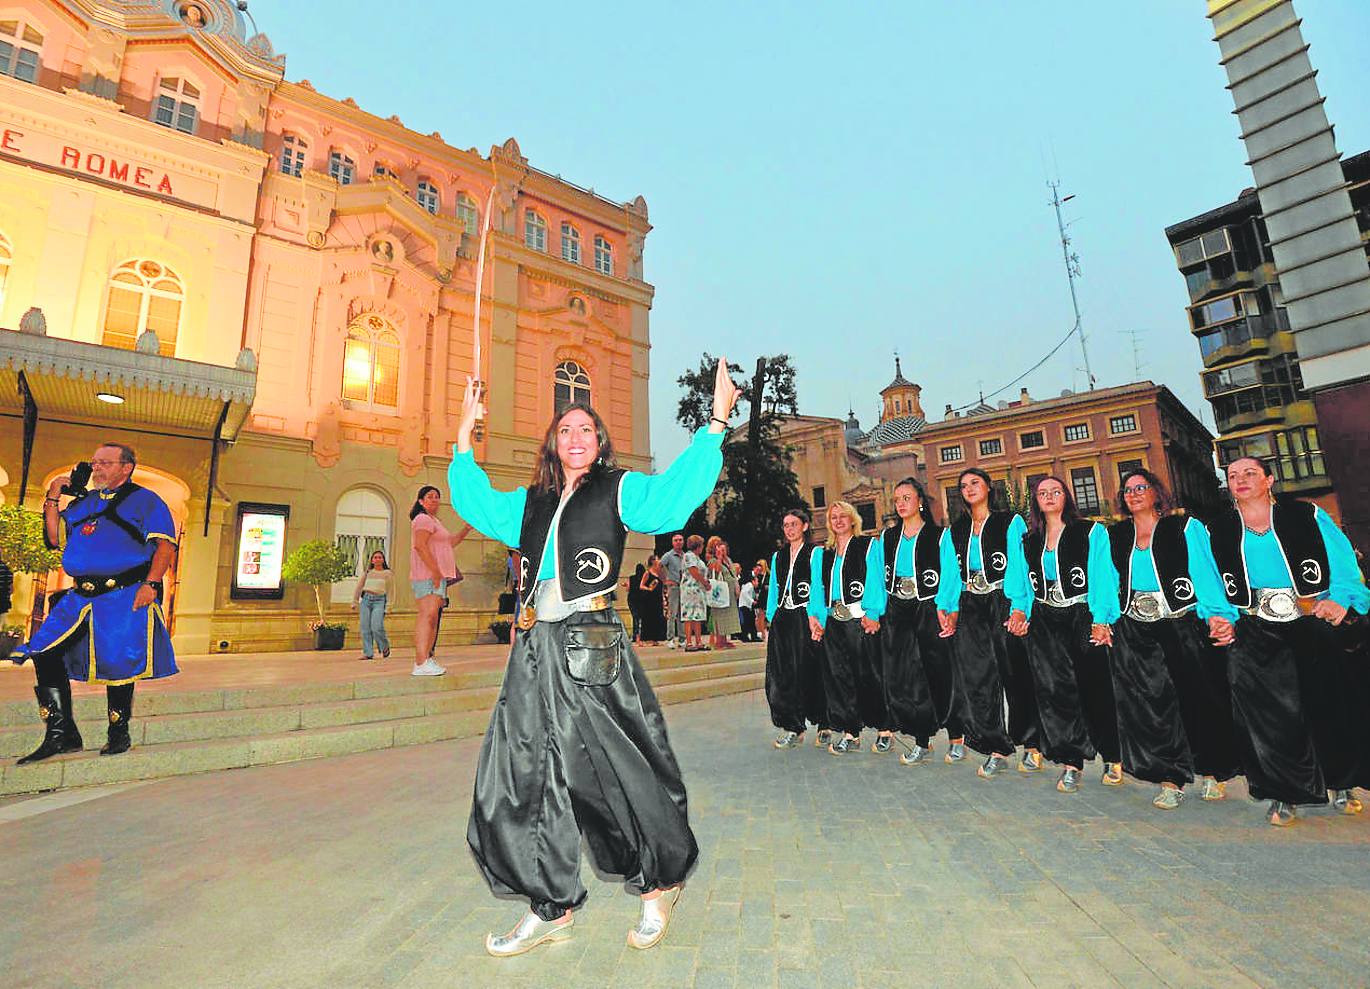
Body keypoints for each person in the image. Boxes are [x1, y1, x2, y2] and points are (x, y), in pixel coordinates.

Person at [450, 359, 735, 956]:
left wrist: (716, 421)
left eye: (586, 428)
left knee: (618, 768)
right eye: (565, 429)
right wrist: (464, 439)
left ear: (600, 441)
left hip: (591, 647)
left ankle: (659, 884)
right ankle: (549, 904)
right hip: (533, 651)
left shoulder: (619, 489)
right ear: (554, 443)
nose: (575, 437)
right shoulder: (529, 503)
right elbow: (477, 504)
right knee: (526, 774)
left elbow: (671, 501)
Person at [1209, 457, 1370, 826]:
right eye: (1232, 476)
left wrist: (1341, 600)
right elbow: (1211, 582)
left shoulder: (1307, 516)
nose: (1240, 480)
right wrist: (1219, 618)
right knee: (1267, 717)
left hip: (1309, 620)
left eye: (1250, 473)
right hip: (1253, 629)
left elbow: (1345, 566)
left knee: (1326, 703)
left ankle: (1340, 782)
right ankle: (1283, 792)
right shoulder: (1218, 529)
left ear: (1269, 479)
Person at [13, 443, 178, 762]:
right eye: (94, 463)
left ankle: (119, 732)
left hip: (123, 594)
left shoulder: (146, 501)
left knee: (118, 664)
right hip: (80, 596)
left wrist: (152, 583)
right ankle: (62, 734)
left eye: (105, 463)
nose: (97, 468)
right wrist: (52, 495)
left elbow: (165, 546)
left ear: (126, 467)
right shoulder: (84, 502)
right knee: (44, 651)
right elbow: (54, 536)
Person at [1103, 469, 1239, 810]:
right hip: (1136, 628)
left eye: (1140, 488)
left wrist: (1218, 615)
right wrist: (1103, 619)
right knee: (1152, 705)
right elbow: (1106, 580)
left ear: (1156, 493)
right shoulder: (1116, 535)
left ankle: (1212, 772)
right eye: (1127, 490)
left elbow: (1205, 573)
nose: (1133, 494)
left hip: (1182, 623)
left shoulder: (1184, 527)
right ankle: (1169, 778)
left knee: (1199, 698)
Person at [1020, 476, 1121, 793]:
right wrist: (1020, 611)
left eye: (1056, 492)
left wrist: (1101, 618)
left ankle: (1113, 756)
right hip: (1045, 618)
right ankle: (1071, 761)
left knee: (1096, 688)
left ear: (1067, 497)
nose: (1049, 497)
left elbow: (1104, 576)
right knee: (1055, 691)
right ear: (1035, 500)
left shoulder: (1090, 532)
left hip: (1081, 614)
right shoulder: (1030, 539)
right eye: (1042, 493)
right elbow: (1023, 583)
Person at [944, 468, 1039, 778]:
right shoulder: (954, 531)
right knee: (977, 677)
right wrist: (948, 608)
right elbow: (949, 575)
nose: (969, 489)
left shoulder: (1010, 522)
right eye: (964, 486)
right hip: (970, 603)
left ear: (988, 487)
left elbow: (1019, 565)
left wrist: (1019, 607)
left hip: (1001, 599)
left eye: (975, 483)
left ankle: (1031, 743)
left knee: (1014, 672)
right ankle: (995, 746)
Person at [871, 477, 963, 766]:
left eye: (906, 498)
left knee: (940, 672)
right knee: (906, 678)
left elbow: (950, 575)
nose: (901, 504)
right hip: (897, 610)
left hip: (928, 607)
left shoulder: (939, 536)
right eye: (897, 499)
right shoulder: (886, 539)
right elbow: (874, 577)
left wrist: (947, 608)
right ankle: (921, 740)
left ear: (920, 501)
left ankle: (957, 737)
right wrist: (873, 612)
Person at [811, 501, 886, 755]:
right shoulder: (824, 553)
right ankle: (850, 731)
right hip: (833, 620)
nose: (839, 520)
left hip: (859, 618)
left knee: (869, 674)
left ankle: (884, 728)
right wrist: (817, 619)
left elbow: (875, 578)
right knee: (839, 677)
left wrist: (873, 612)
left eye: (843, 516)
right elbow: (817, 589)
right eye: (834, 517)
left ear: (853, 519)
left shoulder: (868, 546)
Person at [764, 508, 829, 748]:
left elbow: (818, 585)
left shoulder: (815, 553)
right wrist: (773, 615)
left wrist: (817, 617)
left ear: (804, 526)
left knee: (812, 669)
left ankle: (824, 721)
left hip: (806, 616)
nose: (789, 529)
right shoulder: (778, 557)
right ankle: (792, 725)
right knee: (782, 675)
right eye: (786, 525)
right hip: (784, 618)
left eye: (793, 524)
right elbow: (773, 588)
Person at [408, 487, 471, 677]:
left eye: (437, 497)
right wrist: (435, 571)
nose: (434, 500)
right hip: (428, 575)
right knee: (427, 616)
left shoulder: (435, 521)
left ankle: (426, 658)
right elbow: (419, 545)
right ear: (421, 501)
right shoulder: (422, 519)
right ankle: (420, 662)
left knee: (433, 618)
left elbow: (449, 542)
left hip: (438, 576)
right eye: (430, 497)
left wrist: (466, 529)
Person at [350, 549, 393, 661]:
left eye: (380, 557)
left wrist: (388, 606)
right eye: (375, 557)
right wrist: (355, 601)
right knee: (365, 627)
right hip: (366, 600)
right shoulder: (368, 573)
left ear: (383, 560)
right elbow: (359, 587)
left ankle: (384, 646)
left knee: (377, 626)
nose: (377, 559)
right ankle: (368, 652)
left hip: (379, 601)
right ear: (372, 560)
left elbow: (391, 590)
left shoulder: (387, 574)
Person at [706, 537, 741, 649]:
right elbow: (716, 571)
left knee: (728, 615)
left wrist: (737, 587)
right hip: (720, 592)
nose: (721, 549)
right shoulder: (712, 560)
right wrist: (719, 558)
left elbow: (733, 574)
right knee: (720, 615)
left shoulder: (729, 560)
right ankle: (719, 641)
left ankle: (725, 640)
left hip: (730, 592)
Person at [679, 535, 710, 652]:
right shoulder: (689, 556)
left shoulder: (698, 559)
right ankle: (689, 642)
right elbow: (693, 572)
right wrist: (705, 582)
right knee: (689, 615)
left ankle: (699, 641)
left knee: (698, 615)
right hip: (690, 589)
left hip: (699, 591)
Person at [660, 533, 686, 648]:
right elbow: (659, 566)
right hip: (674, 586)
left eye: (680, 540)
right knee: (672, 613)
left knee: (682, 614)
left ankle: (682, 638)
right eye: (676, 540)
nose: (678, 542)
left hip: (684, 587)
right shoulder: (668, 555)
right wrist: (665, 580)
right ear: (672, 542)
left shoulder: (685, 556)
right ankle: (670, 638)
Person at [638, 555, 668, 645]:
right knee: (649, 617)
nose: (658, 560)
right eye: (656, 559)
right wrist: (649, 589)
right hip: (649, 598)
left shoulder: (659, 573)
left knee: (658, 616)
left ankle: (656, 637)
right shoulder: (647, 573)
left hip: (658, 597)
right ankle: (648, 638)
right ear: (652, 561)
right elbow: (641, 585)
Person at [626, 562, 647, 642]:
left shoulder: (631, 578)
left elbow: (627, 589)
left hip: (632, 599)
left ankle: (635, 635)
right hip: (642, 600)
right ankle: (642, 635)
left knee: (635, 617)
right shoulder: (645, 578)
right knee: (642, 618)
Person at [736, 573, 757, 643]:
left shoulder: (748, 586)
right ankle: (745, 637)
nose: (758, 583)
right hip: (744, 605)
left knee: (749, 621)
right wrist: (752, 601)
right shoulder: (749, 585)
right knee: (747, 622)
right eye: (757, 581)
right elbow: (744, 593)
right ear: (753, 581)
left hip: (746, 605)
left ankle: (752, 636)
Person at [753, 558, 770, 641]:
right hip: (759, 597)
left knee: (765, 615)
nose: (758, 567)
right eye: (757, 565)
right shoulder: (757, 576)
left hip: (766, 596)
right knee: (760, 615)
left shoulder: (768, 575)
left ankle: (765, 631)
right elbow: (756, 586)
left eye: (760, 565)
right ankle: (761, 632)